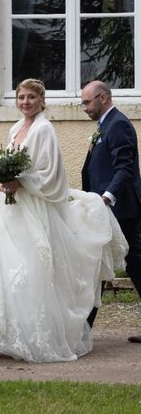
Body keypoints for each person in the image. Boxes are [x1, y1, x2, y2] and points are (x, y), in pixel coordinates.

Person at [0, 78, 128, 362]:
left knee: (29, 273)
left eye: (31, 97)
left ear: (41, 101)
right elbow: (11, 165)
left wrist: (21, 182)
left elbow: (51, 175)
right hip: (10, 210)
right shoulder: (15, 128)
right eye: (21, 97)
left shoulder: (45, 130)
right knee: (2, 273)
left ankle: (31, 338)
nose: (25, 102)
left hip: (33, 210)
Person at [81, 81, 141, 343]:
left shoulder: (117, 124)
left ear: (102, 97)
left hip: (121, 209)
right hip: (104, 208)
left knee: (136, 264)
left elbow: (125, 168)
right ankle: (84, 327)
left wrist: (106, 198)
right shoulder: (104, 124)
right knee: (99, 265)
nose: (84, 108)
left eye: (87, 102)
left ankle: (83, 328)